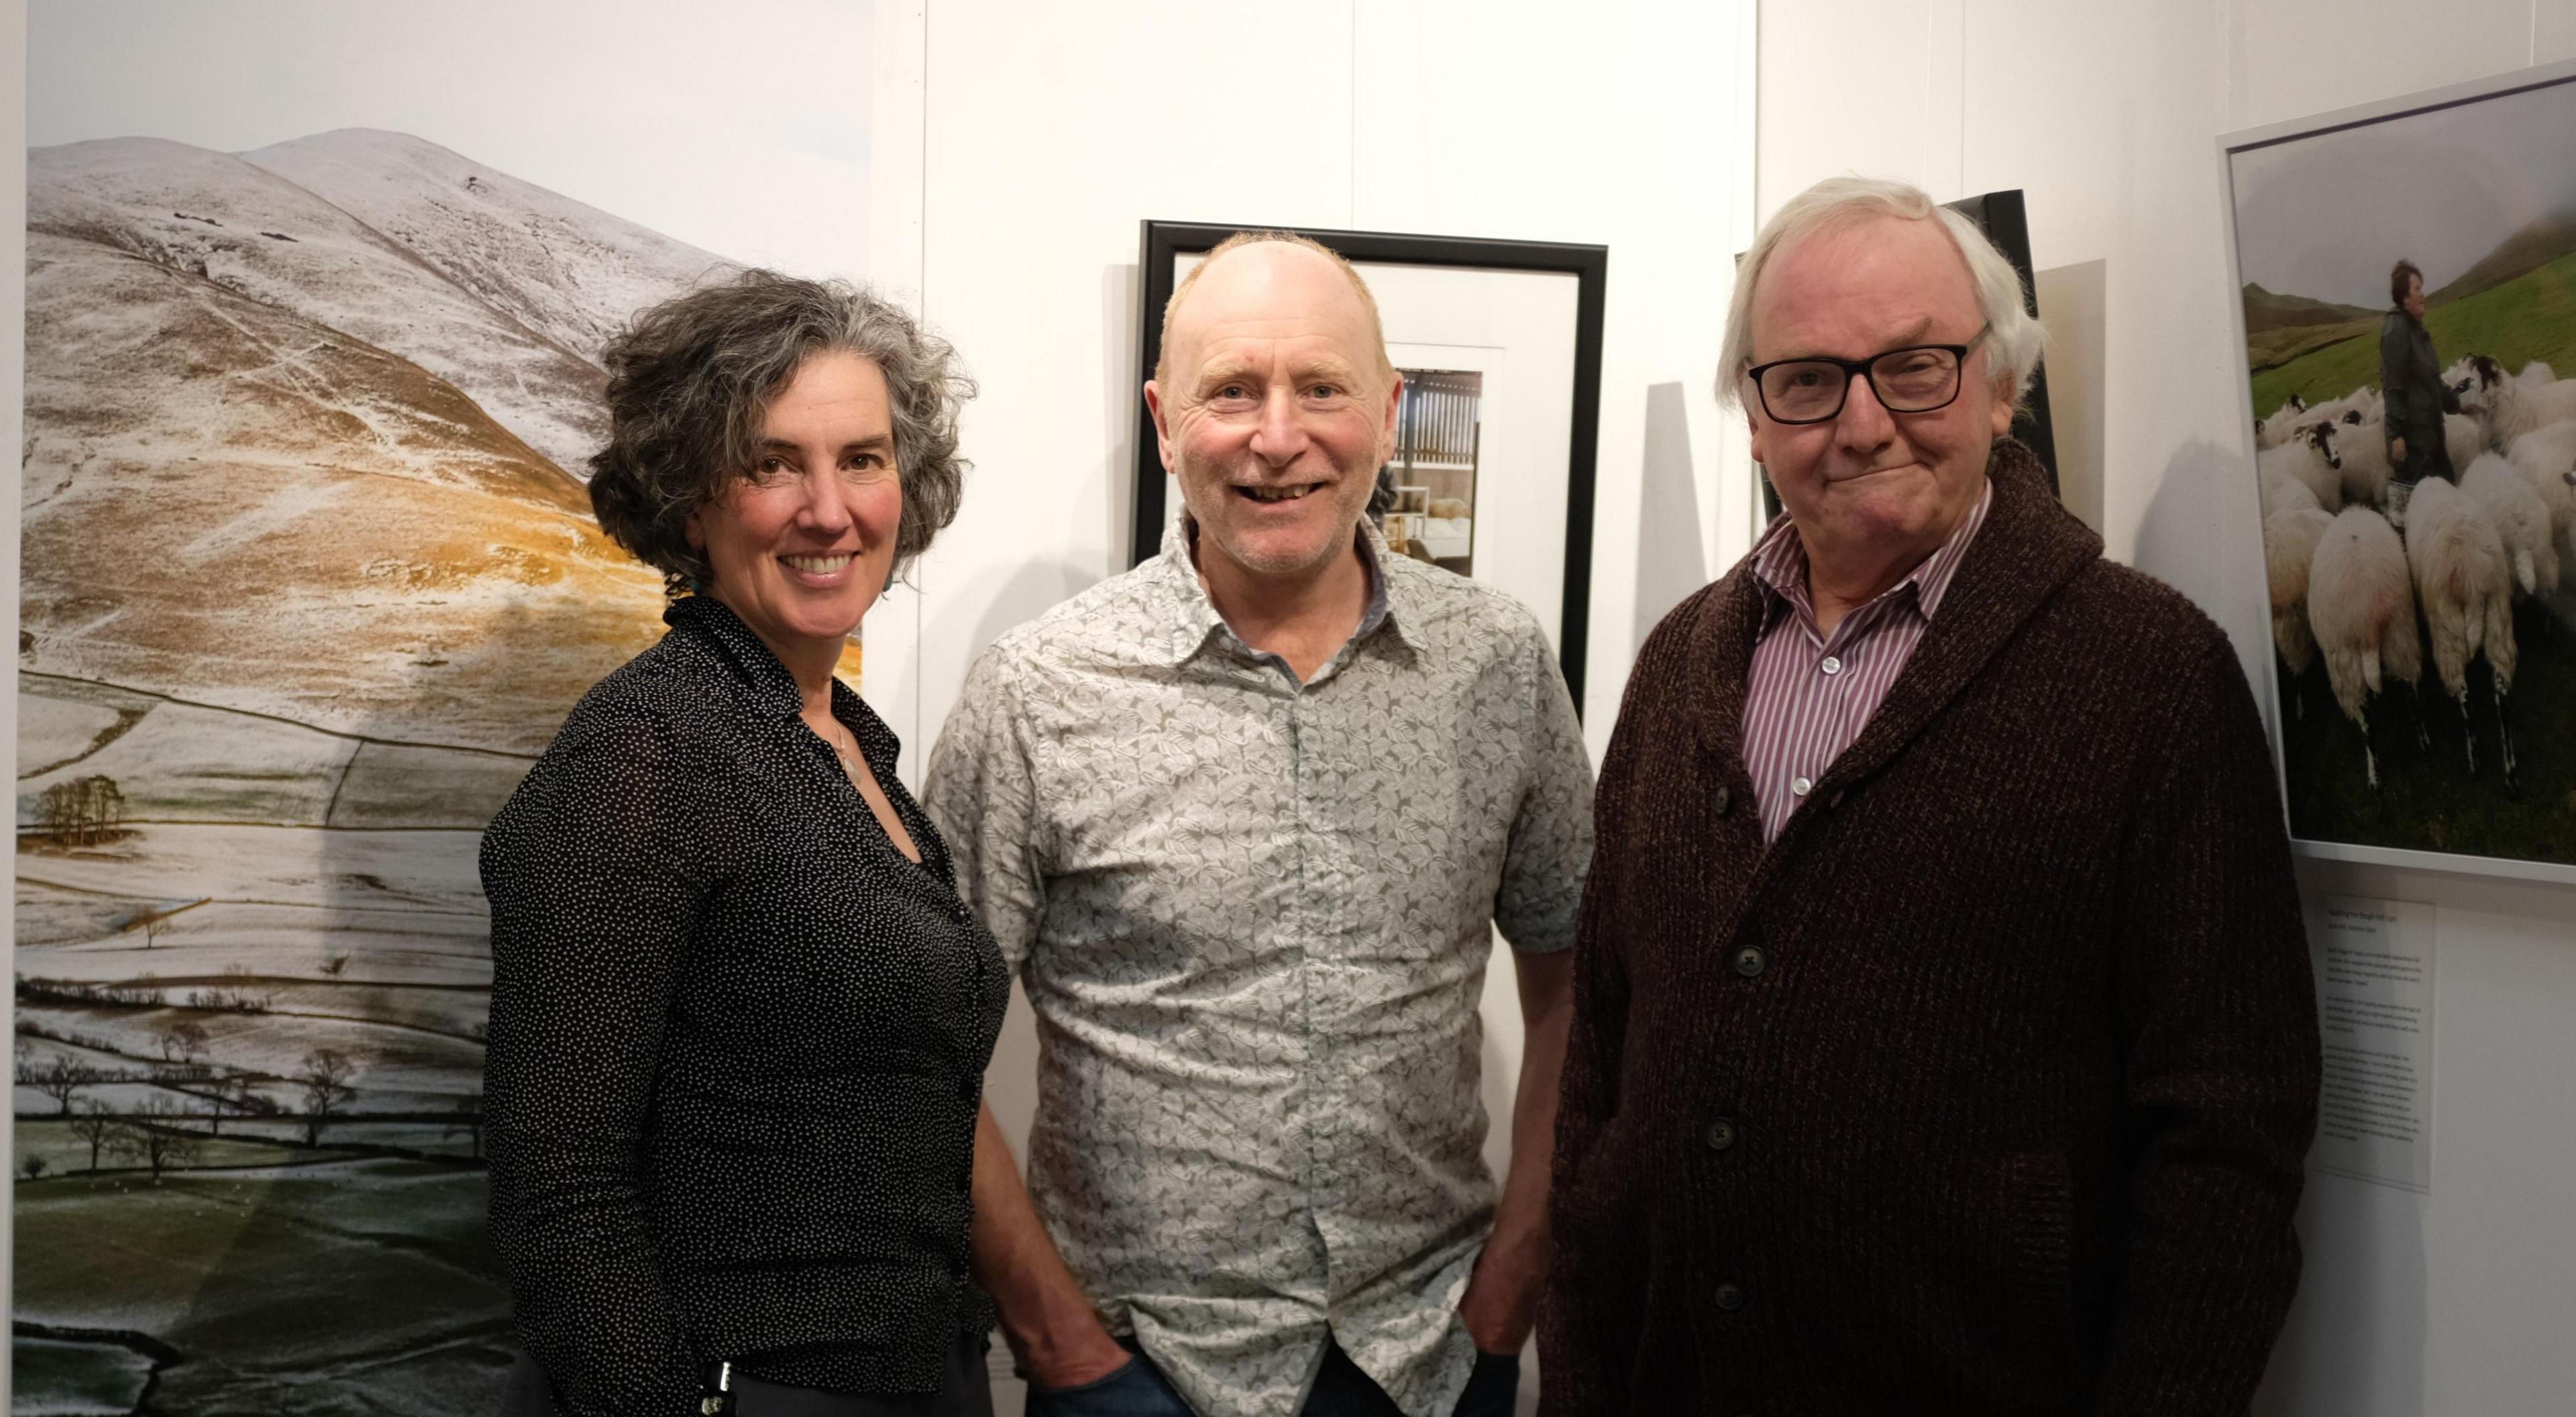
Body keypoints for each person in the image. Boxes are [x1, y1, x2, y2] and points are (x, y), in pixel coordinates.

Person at [1538, 177, 2321, 1415]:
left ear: (2002, 386)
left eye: (1915, 368)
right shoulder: (1683, 661)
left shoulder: (2148, 676)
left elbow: (2228, 1140)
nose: (1859, 425)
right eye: (1804, 379)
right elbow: (1603, 1076)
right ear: (1754, 415)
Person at [923, 231, 1592, 1417]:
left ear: (1388, 412)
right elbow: (918, 1047)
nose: (1277, 437)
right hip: (1142, 1374)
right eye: (1230, 390)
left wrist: (1512, 1293)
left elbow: (1575, 986)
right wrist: (1061, 1347)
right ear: (1165, 420)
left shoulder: (1498, 664)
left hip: (1426, 1361)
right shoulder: (1039, 693)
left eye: (1321, 388)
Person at [482, 271, 1004, 1417]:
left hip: (912, 1375)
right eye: (774, 464)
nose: (830, 509)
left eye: (862, 459)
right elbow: (558, 1186)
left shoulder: (840, 740)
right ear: (688, 498)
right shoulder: (647, 757)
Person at [2379, 257, 2456, 521]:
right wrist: (2395, 435)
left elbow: (2431, 380)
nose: (2423, 294)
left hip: (2431, 435)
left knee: (2446, 504)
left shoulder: (2418, 331)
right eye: (2417, 289)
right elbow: (2393, 385)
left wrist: (2455, 402)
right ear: (2404, 297)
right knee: (2411, 517)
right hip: (2411, 443)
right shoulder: (2396, 330)